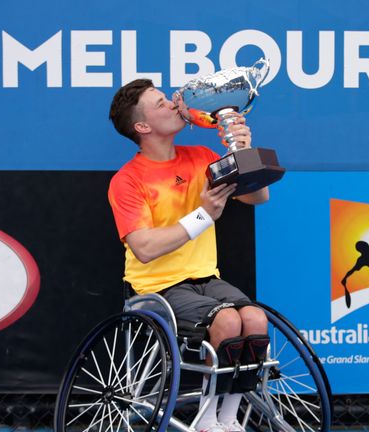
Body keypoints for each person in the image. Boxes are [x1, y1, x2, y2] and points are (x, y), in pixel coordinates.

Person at [107, 78, 269, 432]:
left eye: (168, 98)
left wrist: (243, 149)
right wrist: (202, 216)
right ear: (143, 127)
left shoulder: (201, 157)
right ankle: (207, 420)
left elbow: (258, 197)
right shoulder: (127, 180)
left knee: (255, 319)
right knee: (227, 321)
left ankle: (229, 418)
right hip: (157, 289)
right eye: (160, 102)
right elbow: (145, 249)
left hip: (207, 279)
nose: (173, 103)